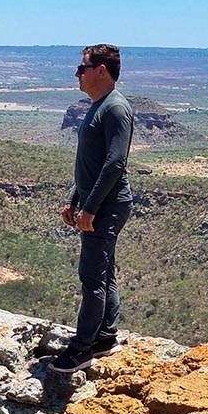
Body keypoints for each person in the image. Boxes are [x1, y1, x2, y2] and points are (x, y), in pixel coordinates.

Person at [50, 44, 134, 374]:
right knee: (104, 271)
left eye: (82, 67)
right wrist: (75, 199)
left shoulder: (115, 108)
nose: (76, 73)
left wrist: (91, 208)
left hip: (108, 206)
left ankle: (81, 349)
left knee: (91, 277)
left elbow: (115, 163)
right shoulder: (98, 106)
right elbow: (91, 164)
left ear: (101, 71)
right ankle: (105, 336)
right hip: (97, 204)